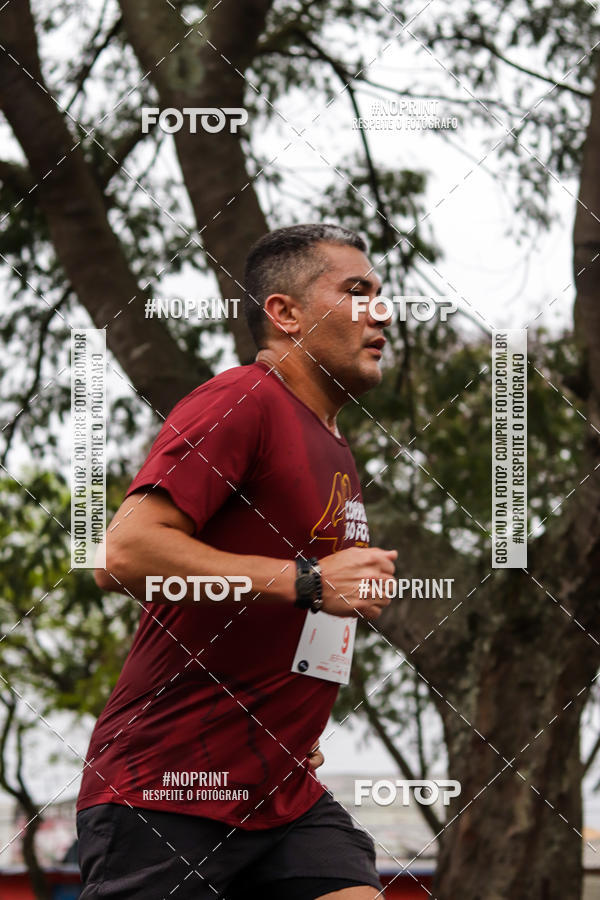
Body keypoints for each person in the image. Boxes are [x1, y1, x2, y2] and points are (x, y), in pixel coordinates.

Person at [77, 223, 397, 900]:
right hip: (167, 790)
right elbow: (122, 553)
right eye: (357, 291)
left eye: (382, 293)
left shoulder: (335, 448)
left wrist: (294, 722)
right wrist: (309, 581)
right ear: (284, 314)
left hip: (284, 795)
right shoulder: (243, 399)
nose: (384, 311)